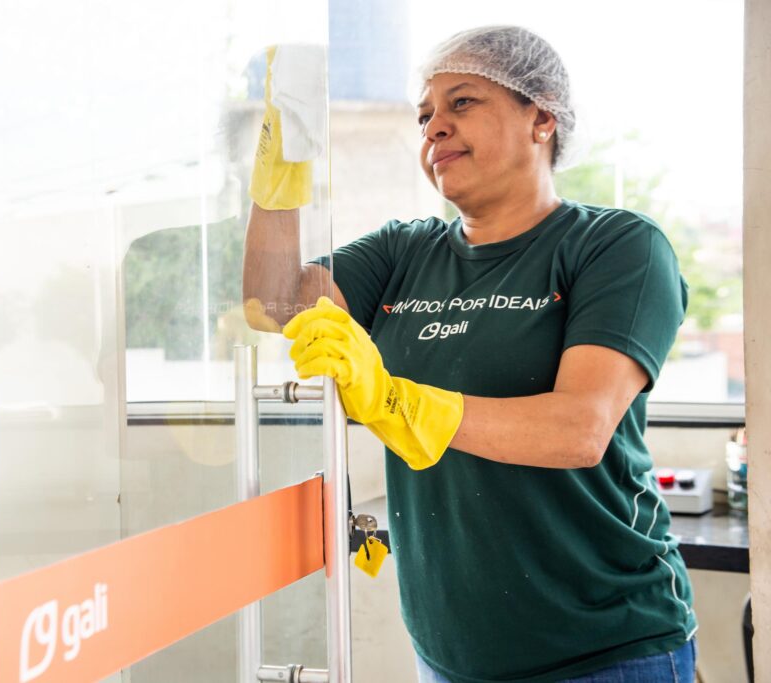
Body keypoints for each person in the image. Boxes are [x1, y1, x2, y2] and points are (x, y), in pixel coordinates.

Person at [243, 25, 697, 683]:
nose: (434, 130)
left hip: (604, 648)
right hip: (452, 655)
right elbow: (273, 300)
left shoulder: (615, 246)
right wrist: (282, 172)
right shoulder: (406, 251)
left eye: (462, 103)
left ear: (541, 116)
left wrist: (398, 401)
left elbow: (580, 429)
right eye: (425, 115)